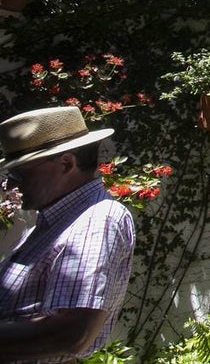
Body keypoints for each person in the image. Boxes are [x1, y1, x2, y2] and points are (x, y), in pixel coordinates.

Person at [0, 106, 136, 363]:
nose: (10, 184)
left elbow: (71, 332)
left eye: (20, 172)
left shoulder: (96, 220)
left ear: (66, 163)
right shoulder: (54, 222)